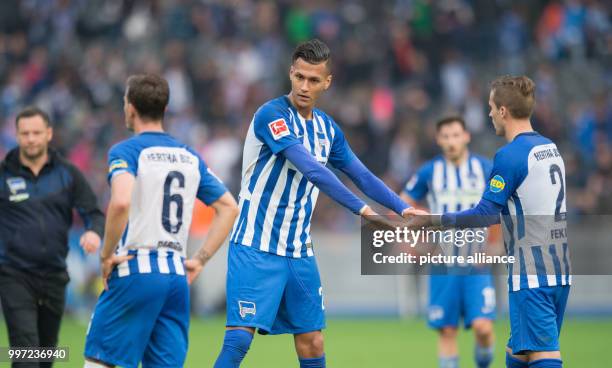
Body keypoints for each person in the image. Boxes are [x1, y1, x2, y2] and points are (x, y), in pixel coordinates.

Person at [213, 38, 418, 368]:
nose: (304, 86)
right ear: (290, 73)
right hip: (255, 244)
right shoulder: (272, 115)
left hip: (298, 251)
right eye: (299, 77)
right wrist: (364, 211)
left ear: (327, 82)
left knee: (312, 341)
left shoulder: (327, 128)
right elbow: (311, 169)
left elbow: (361, 175)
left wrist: (401, 207)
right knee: (239, 337)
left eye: (313, 80)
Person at [407, 75, 570, 368]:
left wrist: (434, 221)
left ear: (504, 111)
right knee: (518, 352)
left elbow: (484, 214)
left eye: (492, 107)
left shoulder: (509, 156)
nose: (490, 114)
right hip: (559, 268)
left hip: (532, 272)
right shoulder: (550, 148)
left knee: (544, 353)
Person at [83, 74, 238, 368]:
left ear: (130, 108)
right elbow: (229, 207)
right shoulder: (189, 156)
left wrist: (106, 255)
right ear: (165, 110)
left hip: (135, 268)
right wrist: (201, 259)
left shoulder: (127, 150)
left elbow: (120, 201)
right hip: (176, 276)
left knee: (99, 362)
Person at [0, 106, 104, 368]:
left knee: (45, 356)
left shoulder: (67, 174)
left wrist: (93, 231)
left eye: (36, 132)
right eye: (25, 133)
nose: (31, 139)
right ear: (17, 135)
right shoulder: (4, 174)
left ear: (48, 134)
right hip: (14, 275)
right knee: (26, 353)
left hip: (54, 276)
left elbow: (93, 211)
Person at [400, 116, 496, 368]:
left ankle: (484, 359)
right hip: (443, 263)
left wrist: (496, 246)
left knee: (483, 328)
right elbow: (403, 202)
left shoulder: (485, 169)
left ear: (466, 136)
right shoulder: (429, 171)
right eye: (446, 136)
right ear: (438, 140)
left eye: (456, 135)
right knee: (447, 331)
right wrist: (419, 239)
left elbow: (503, 207)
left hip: (477, 263)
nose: (451, 141)